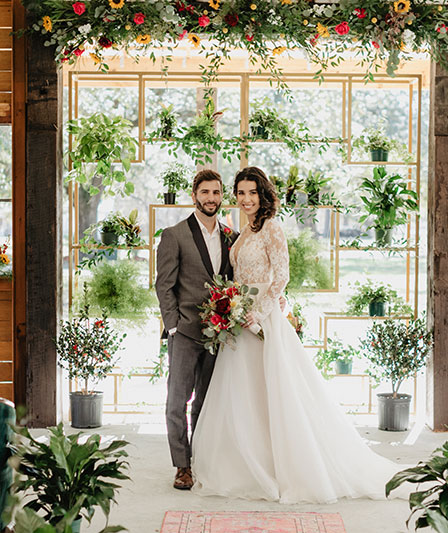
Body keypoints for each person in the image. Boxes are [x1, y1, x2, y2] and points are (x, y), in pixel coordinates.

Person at [192, 166, 404, 503]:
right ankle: (244, 464)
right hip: (240, 317)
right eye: (241, 193)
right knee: (243, 394)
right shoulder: (244, 231)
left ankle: (284, 466)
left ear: (263, 195)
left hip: (262, 318)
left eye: (252, 192)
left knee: (275, 392)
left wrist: (256, 313)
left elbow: (281, 277)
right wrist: (232, 305)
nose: (246, 199)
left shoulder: (272, 228)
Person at [155, 169, 238, 490]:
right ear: (194, 196)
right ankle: (182, 467)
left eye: (216, 193)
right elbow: (164, 285)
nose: (211, 199)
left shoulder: (231, 237)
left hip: (218, 333)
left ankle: (202, 459)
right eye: (205, 193)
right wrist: (173, 326)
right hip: (185, 332)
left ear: (221, 197)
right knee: (177, 402)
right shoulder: (174, 235)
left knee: (206, 400)